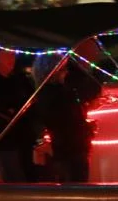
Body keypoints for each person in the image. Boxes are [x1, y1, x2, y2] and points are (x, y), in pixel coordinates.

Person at [31, 53, 102, 183]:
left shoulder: (43, 93)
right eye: (63, 69)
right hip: (71, 149)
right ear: (53, 71)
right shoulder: (60, 94)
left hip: (63, 149)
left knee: (71, 184)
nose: (67, 72)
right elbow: (69, 122)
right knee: (77, 185)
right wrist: (87, 128)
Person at [0, 49, 38, 182]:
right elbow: (0, 108)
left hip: (26, 137)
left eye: (13, 55)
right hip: (4, 140)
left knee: (29, 174)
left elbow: (33, 102)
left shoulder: (22, 80)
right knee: (13, 176)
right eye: (8, 55)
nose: (12, 59)